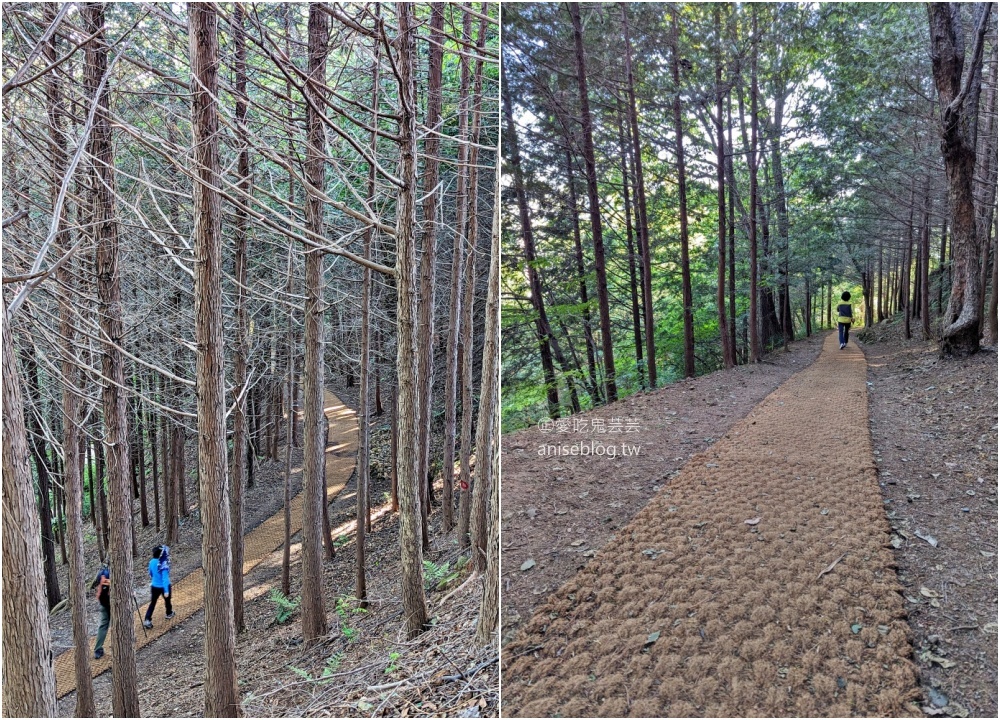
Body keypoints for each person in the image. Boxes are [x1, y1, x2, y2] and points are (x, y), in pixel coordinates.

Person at [143, 544, 173, 628]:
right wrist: (166, 590)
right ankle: (169, 613)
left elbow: (151, 573)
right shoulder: (164, 564)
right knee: (167, 601)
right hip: (164, 587)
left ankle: (147, 619)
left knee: (152, 603)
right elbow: (165, 578)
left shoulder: (151, 562)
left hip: (154, 586)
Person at [90, 564, 111, 659]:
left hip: (103, 604)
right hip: (112, 603)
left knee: (103, 625)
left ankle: (98, 649)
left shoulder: (101, 577)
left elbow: (99, 593)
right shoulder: (110, 578)